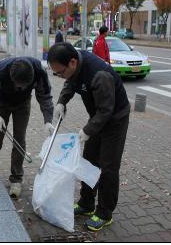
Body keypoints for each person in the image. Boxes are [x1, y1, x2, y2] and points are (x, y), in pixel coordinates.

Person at [47, 42, 130, 231]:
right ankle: (86, 203)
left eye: (60, 72)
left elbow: (106, 111)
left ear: (73, 62)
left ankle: (104, 212)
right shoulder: (73, 68)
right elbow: (70, 82)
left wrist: (87, 131)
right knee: (89, 161)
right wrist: (61, 102)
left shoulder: (100, 76)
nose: (60, 76)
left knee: (108, 166)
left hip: (115, 119)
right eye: (56, 73)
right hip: (98, 117)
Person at [0, 57, 55, 197]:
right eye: (18, 85)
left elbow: (45, 95)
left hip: (22, 105)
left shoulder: (39, 70)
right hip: (1, 104)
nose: (20, 88)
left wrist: (48, 120)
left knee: (19, 139)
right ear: (11, 76)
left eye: (24, 85)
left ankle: (16, 179)